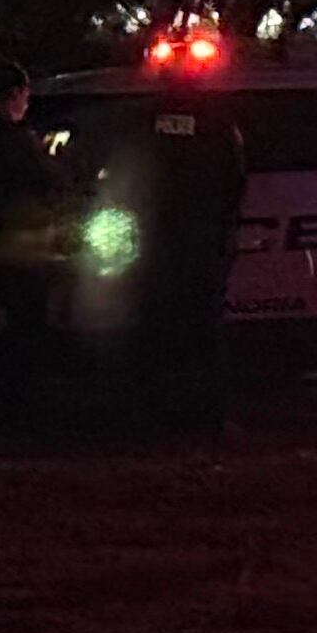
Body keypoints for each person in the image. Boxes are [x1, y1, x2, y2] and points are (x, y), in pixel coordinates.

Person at [95, 81, 249, 429]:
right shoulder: (216, 121)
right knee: (203, 330)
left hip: (156, 245)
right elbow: (235, 180)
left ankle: (153, 412)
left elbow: (121, 174)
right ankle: (206, 414)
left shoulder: (142, 118)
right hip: (202, 243)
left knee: (154, 328)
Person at [0, 59, 69, 406]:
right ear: (18, 94)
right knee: (29, 321)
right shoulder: (16, 138)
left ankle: (17, 392)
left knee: (18, 319)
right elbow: (50, 179)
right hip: (23, 244)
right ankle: (26, 396)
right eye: (25, 95)